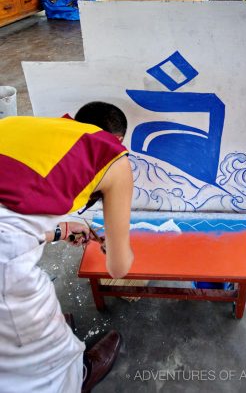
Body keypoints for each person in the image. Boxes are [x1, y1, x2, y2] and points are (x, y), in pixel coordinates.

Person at [0, 101, 134, 392]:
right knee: (31, 360)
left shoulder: (16, 125)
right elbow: (119, 267)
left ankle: (43, 330)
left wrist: (58, 231)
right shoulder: (112, 156)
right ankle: (74, 375)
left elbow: (10, 210)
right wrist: (118, 248)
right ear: (119, 139)